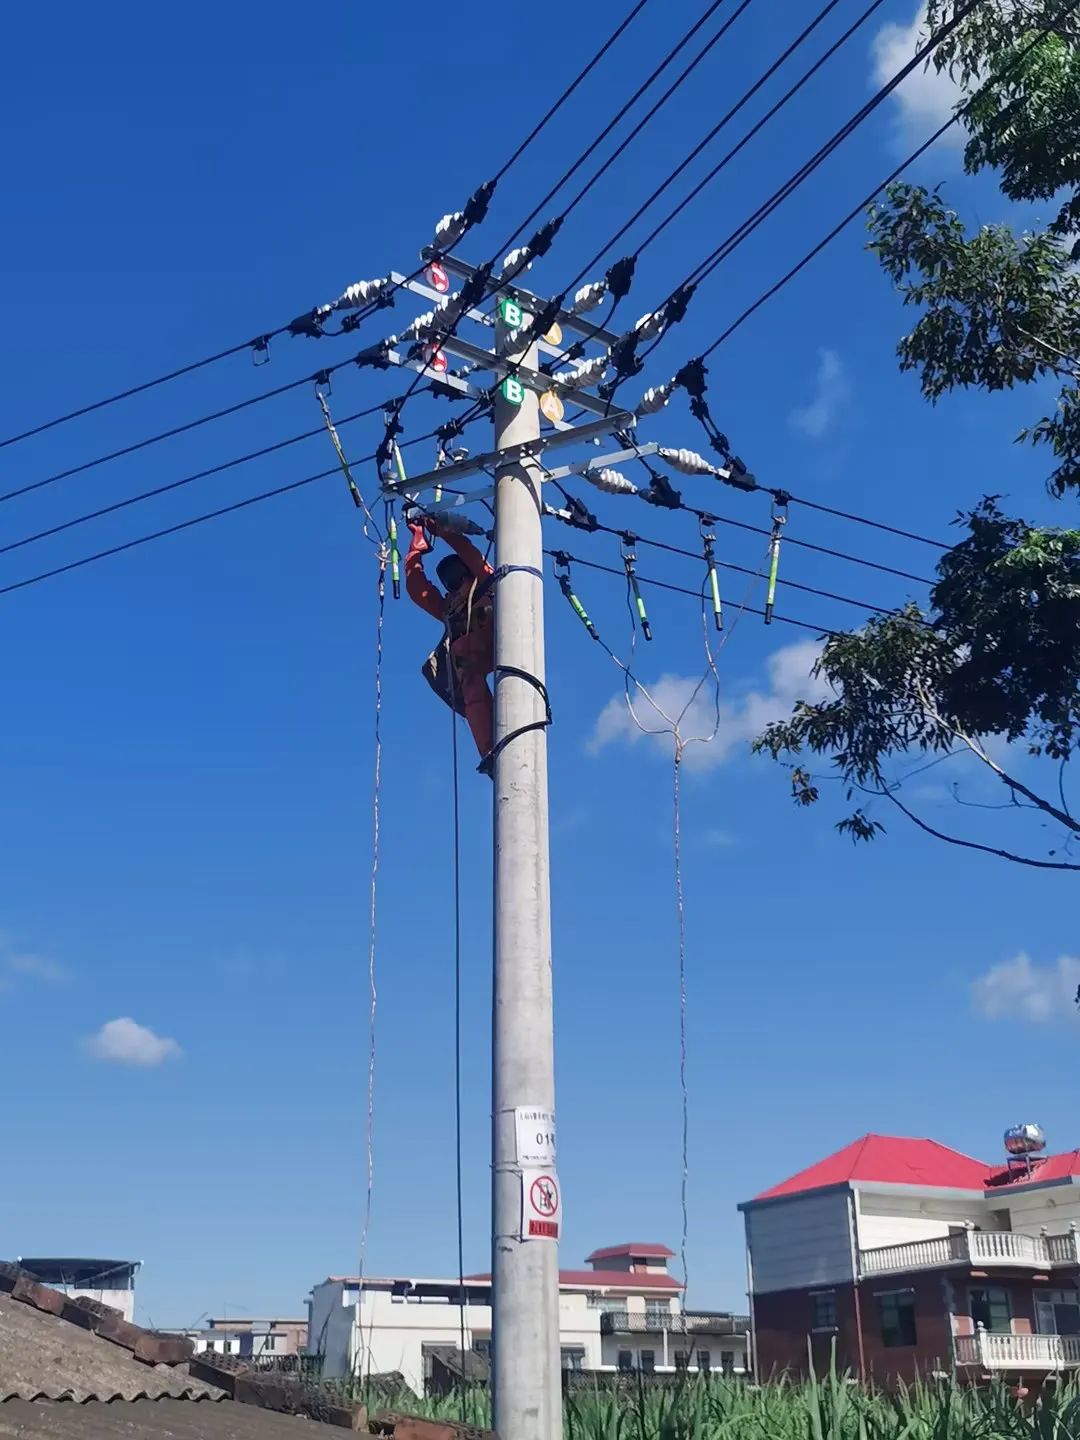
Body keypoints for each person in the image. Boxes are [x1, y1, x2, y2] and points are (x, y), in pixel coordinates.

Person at [406, 516, 494, 765]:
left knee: (464, 647)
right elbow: (418, 590)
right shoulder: (452, 609)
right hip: (473, 661)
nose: (456, 587)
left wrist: (441, 530)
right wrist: (417, 546)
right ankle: (489, 751)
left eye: (459, 577)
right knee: (471, 686)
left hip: (505, 639)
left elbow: (469, 552)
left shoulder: (490, 583)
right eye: (450, 583)